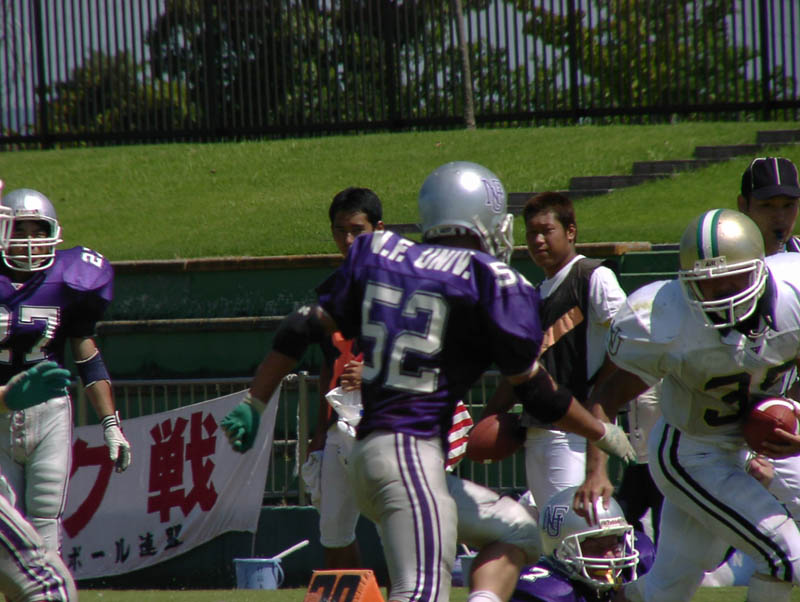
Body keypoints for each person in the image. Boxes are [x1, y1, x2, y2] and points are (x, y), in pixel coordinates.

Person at [222, 160, 636, 602]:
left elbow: (300, 326)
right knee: (421, 593)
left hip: (371, 456)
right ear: (485, 220)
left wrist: (255, 402)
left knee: (518, 531)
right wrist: (601, 431)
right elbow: (535, 389)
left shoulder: (381, 255)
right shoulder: (492, 279)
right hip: (409, 453)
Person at [575, 208, 800, 602]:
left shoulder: (793, 294)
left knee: (667, 588)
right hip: (694, 453)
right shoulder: (663, 319)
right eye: (708, 284)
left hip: (758, 444)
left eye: (732, 279)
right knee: (787, 556)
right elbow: (607, 396)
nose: (722, 294)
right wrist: (597, 465)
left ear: (759, 269)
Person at [0, 188, 131, 556]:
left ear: (54, 233)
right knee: (4, 525)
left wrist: (110, 424)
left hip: (49, 411)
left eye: (37, 230)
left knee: (45, 520)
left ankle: (47, 586)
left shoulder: (73, 277)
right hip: (0, 406)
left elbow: (86, 353)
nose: (29, 241)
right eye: (19, 230)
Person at [484, 191, 627, 516]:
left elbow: (627, 341)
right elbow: (520, 372)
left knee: (575, 527)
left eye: (546, 231)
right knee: (550, 529)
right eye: (531, 233)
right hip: (538, 430)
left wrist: (599, 401)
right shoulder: (536, 293)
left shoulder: (592, 275)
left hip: (576, 432)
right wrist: (487, 419)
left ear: (570, 231)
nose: (537, 240)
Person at [510, 486, 652, 602]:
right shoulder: (550, 591)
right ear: (561, 551)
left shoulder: (638, 562)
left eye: (614, 545)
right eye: (596, 548)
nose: (610, 557)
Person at [737, 156, 800, 256]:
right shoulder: (726, 260)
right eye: (767, 205)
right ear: (743, 205)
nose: (780, 217)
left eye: (788, 205)